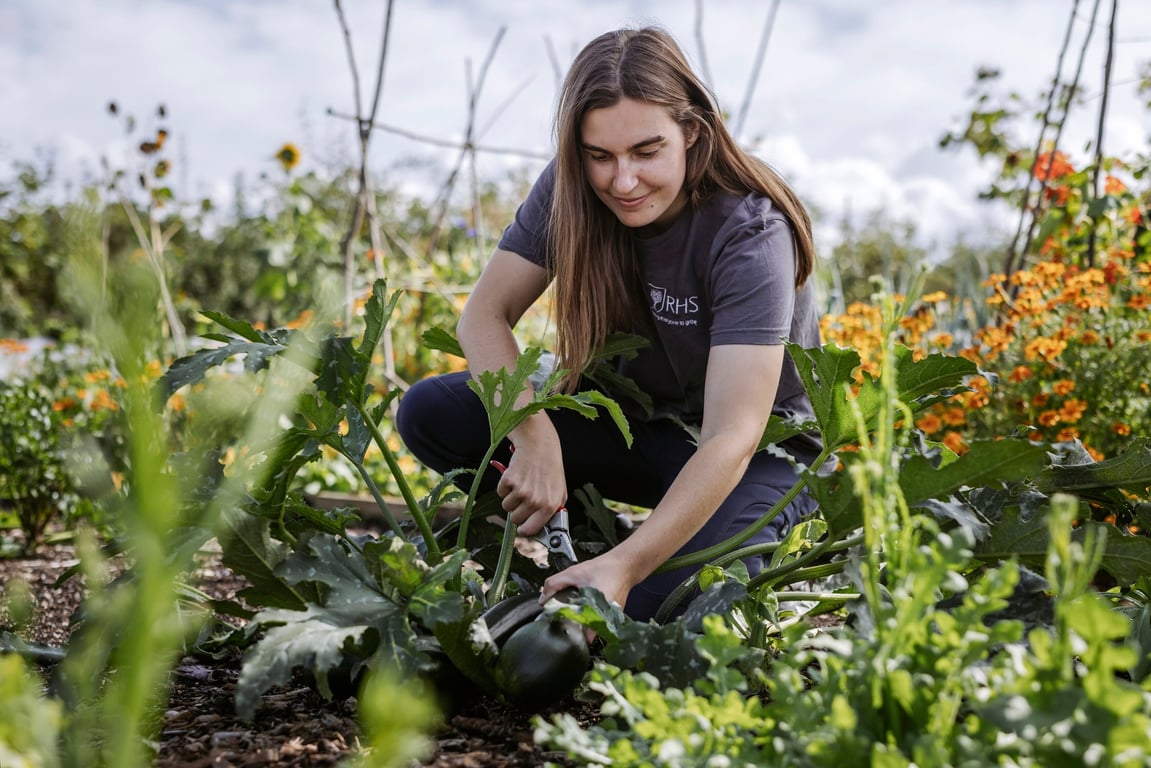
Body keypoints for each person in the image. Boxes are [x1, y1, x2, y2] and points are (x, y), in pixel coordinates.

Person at [396, 25, 822, 623]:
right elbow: (483, 317)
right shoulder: (570, 190)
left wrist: (628, 567)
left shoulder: (750, 233)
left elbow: (733, 435)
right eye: (600, 156)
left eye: (647, 152)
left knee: (651, 611)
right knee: (431, 414)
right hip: (638, 427)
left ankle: (631, 553)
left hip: (755, 456)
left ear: (691, 133)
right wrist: (534, 434)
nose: (622, 182)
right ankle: (598, 535)